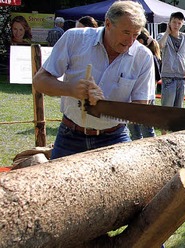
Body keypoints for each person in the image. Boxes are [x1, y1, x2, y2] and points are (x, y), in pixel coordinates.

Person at [33, 1, 154, 159]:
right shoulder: (74, 39)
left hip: (114, 137)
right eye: (126, 32)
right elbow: (40, 81)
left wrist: (104, 107)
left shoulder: (143, 56)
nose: (130, 41)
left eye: (136, 35)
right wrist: (71, 89)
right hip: (70, 136)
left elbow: (139, 110)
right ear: (108, 24)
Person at [128, 28, 160, 140]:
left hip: (147, 97)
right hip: (131, 96)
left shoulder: (149, 56)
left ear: (140, 41)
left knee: (147, 131)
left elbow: (156, 79)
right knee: (134, 131)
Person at [157, 12, 185, 109]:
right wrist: (167, 33)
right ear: (169, 22)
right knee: (167, 107)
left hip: (181, 76)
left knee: (179, 107)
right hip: (168, 76)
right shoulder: (162, 35)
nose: (176, 25)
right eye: (174, 22)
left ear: (182, 24)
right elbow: (160, 46)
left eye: (179, 23)